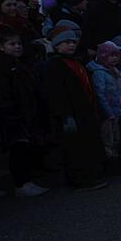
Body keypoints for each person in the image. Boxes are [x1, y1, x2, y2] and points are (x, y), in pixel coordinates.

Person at [43, 25, 107, 190]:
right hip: (70, 112)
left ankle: (92, 174)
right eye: (66, 42)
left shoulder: (76, 62)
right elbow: (56, 93)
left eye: (73, 41)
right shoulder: (55, 65)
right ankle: (79, 179)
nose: (71, 45)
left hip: (84, 110)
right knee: (74, 148)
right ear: (57, 45)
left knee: (86, 144)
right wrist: (65, 115)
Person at [0, 28, 48, 196]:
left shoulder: (19, 64)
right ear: (1, 47)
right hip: (12, 115)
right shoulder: (2, 68)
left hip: (23, 112)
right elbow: (3, 94)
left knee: (23, 147)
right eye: (12, 44)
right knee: (18, 148)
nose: (17, 47)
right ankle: (21, 183)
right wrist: (11, 114)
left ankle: (25, 181)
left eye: (18, 43)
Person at [87, 41, 121, 172]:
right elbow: (101, 94)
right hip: (108, 113)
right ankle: (112, 165)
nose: (115, 58)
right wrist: (108, 112)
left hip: (117, 111)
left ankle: (119, 162)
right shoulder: (99, 73)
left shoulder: (115, 71)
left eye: (116, 55)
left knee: (116, 137)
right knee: (108, 139)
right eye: (111, 56)